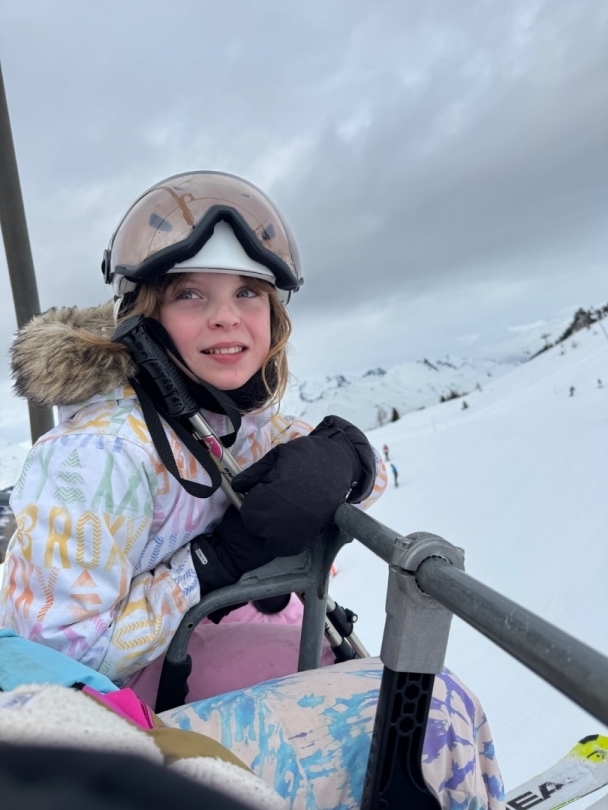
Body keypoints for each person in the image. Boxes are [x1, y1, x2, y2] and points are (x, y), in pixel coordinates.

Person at [0, 171, 387, 699]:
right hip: (102, 709)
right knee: (408, 704)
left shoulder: (223, 419)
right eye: (189, 294)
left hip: (180, 655)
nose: (226, 317)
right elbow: (56, 654)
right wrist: (210, 563)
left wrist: (344, 456)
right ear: (145, 317)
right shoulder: (99, 455)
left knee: (319, 642)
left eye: (247, 291)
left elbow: (364, 475)